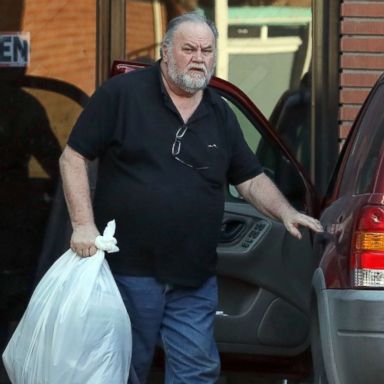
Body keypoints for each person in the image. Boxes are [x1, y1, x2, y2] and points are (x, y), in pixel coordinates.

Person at [59, 12, 323, 384]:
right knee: (121, 368)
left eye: (207, 50)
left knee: (196, 372)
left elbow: (248, 178)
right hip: (129, 271)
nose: (199, 57)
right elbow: (73, 157)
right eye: (188, 49)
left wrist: (285, 212)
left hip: (194, 275)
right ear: (166, 52)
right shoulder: (122, 96)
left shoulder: (219, 112)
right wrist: (83, 225)